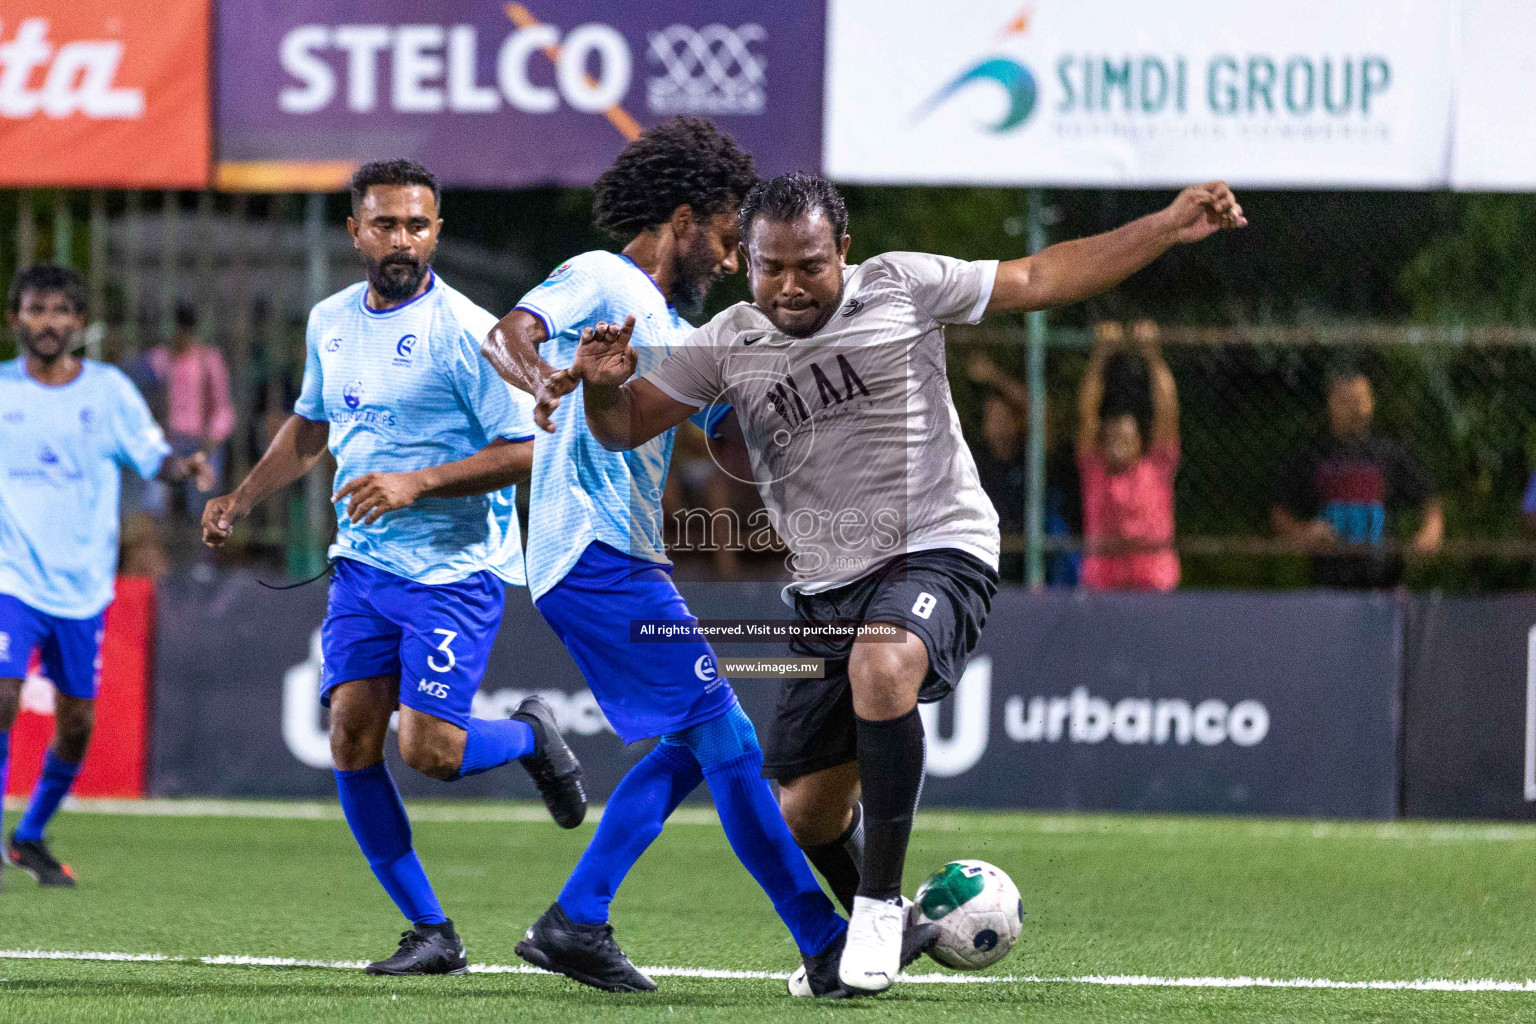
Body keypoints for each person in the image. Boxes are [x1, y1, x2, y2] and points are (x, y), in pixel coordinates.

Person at [562, 172, 1246, 993]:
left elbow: (1040, 278)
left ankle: (881, 909)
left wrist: (1167, 225)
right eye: (771, 267)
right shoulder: (726, 341)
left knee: (882, 662)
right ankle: (877, 930)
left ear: (842, 252)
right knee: (807, 813)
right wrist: (603, 387)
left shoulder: (902, 285)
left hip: (938, 545)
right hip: (826, 587)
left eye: (810, 265)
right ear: (744, 261)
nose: (791, 285)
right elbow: (622, 427)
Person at [480, 118, 858, 998]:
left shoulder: (673, 326)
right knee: (726, 734)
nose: (732, 259)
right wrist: (544, 381)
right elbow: (507, 334)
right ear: (684, 217)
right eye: (728, 238)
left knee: (693, 745)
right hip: (594, 554)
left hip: (619, 559)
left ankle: (578, 918)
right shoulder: (604, 276)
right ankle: (822, 940)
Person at [201, 159, 585, 974]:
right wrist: (242, 497)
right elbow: (310, 426)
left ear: (437, 231)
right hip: (363, 568)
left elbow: (529, 445)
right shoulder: (330, 321)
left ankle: (526, 739)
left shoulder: (467, 333)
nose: (402, 239)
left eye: (417, 224)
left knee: (432, 752)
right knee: (350, 740)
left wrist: (418, 483)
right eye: (386, 224)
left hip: (453, 573)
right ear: (356, 232)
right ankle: (432, 931)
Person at [0, 264, 213, 887]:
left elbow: (152, 458)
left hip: (83, 588)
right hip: (11, 579)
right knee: (2, 698)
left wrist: (185, 467)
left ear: (79, 323)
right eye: (37, 310)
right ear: (17, 319)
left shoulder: (109, 391)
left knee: (77, 723)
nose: (48, 322)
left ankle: (30, 835)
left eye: (61, 310)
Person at [1272, 369, 1443, 588]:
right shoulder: (1312, 455)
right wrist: (1304, 532)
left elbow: (1430, 501)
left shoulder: (1390, 453)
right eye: (1348, 401)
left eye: (1362, 400)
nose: (1357, 409)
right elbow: (1279, 511)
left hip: (1384, 581)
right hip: (1329, 582)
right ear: (1332, 403)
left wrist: (1429, 533)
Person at [1075, 319, 1181, 591]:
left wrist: (1153, 357)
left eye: (1124, 438)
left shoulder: (1156, 468)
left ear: (1139, 443)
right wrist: (1100, 357)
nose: (1116, 443)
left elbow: (1167, 412)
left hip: (1154, 581)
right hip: (1103, 584)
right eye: (1109, 438)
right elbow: (1086, 417)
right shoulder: (1095, 471)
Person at [964, 351, 1080, 585]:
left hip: (1031, 569)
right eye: (991, 415)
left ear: (1018, 423)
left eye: (1003, 415)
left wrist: (994, 376)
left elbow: (1040, 410)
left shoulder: (1031, 457)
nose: (996, 422)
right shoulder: (972, 460)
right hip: (985, 564)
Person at [144, 302, 235, 522]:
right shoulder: (158, 359)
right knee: (155, 505)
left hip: (201, 441)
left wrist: (215, 435)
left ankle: (202, 554)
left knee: (203, 507)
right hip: (166, 440)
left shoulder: (208, 359)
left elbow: (222, 405)